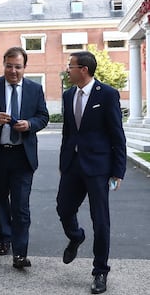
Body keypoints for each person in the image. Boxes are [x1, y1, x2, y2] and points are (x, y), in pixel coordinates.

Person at [56, 51, 126, 294]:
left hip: (98, 167)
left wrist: (118, 170)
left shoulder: (106, 94)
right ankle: (76, 236)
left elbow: (117, 134)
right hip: (72, 165)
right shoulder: (68, 95)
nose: (68, 69)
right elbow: (68, 132)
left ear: (83, 69)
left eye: (71, 66)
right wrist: (63, 160)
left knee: (101, 220)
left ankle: (100, 272)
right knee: (63, 208)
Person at [0, 47, 49, 269]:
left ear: (25, 67)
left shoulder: (35, 89)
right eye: (9, 66)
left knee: (21, 206)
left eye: (18, 67)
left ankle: (20, 252)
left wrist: (30, 125)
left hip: (22, 156)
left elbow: (43, 116)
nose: (13, 71)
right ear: (3, 64)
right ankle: (4, 239)